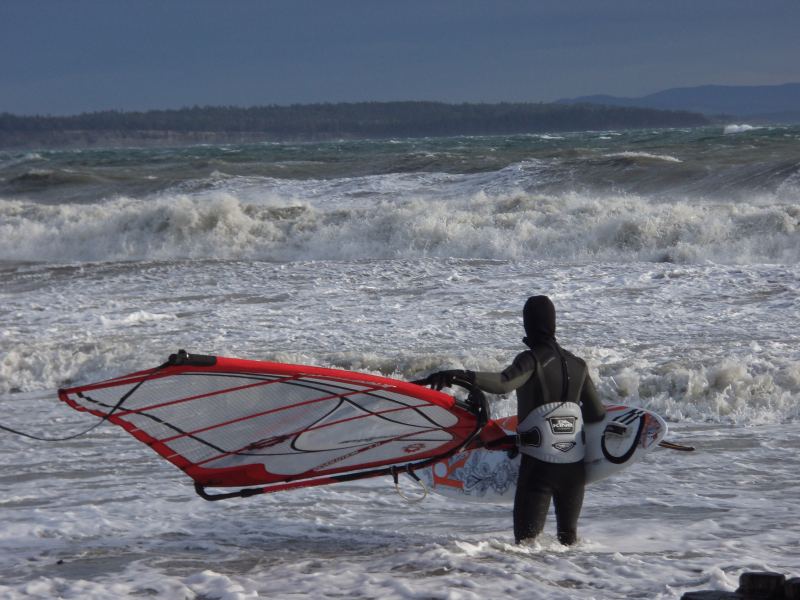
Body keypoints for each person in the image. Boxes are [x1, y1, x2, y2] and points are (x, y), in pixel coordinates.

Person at [428, 295, 606, 545]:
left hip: (539, 467)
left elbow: (503, 384)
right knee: (570, 543)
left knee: (525, 547)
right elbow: (596, 414)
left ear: (528, 324)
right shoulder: (578, 364)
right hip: (574, 468)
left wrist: (461, 375)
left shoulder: (531, 359)